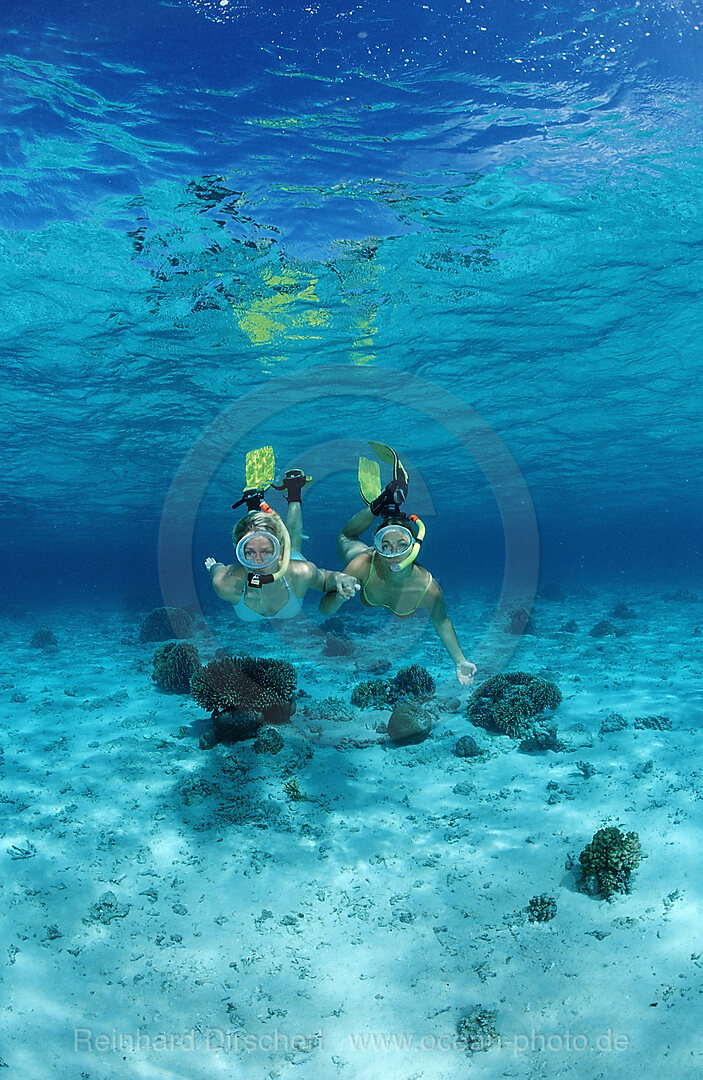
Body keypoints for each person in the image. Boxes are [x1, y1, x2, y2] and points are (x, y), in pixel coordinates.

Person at [318, 443, 477, 687]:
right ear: (377, 547)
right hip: (363, 557)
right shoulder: (362, 566)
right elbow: (324, 610)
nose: (393, 554)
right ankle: (379, 504)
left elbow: (442, 621)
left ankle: (385, 501)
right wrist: (339, 594)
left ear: (414, 547)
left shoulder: (428, 588)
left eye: (401, 545)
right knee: (345, 538)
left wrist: (460, 661)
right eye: (386, 545)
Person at [205, 456, 358, 620]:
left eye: (266, 552)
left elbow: (325, 579)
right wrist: (213, 567)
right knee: (254, 530)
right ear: (240, 553)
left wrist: (340, 578)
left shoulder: (300, 572)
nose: (258, 561)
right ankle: (258, 503)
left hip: (288, 560)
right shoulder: (225, 584)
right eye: (249, 553)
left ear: (279, 550)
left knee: (293, 544)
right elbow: (217, 570)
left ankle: (292, 494)